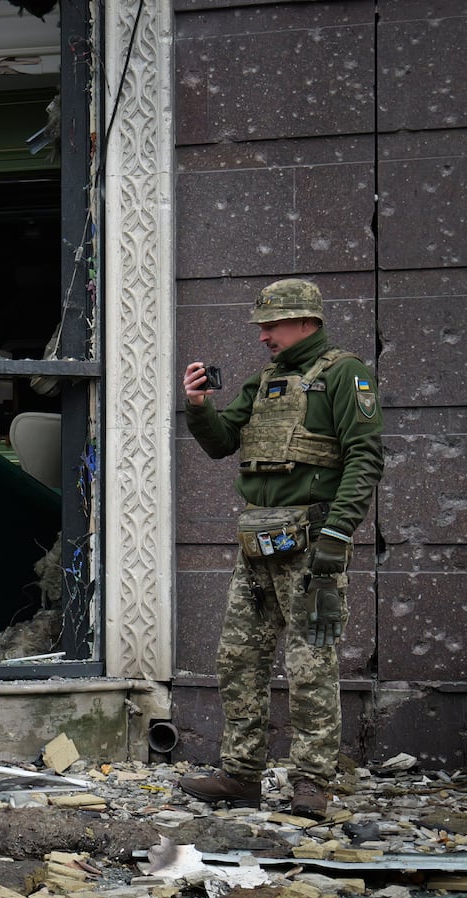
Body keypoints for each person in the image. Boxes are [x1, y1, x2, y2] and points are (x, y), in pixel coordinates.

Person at [177, 278, 384, 817]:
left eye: (271, 324)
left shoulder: (345, 373)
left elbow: (365, 459)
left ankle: (311, 782)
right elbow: (223, 443)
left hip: (313, 544)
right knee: (239, 659)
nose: (263, 335)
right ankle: (241, 775)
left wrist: (337, 538)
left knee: (312, 661)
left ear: (304, 322)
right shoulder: (265, 379)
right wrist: (199, 406)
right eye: (262, 326)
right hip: (257, 543)